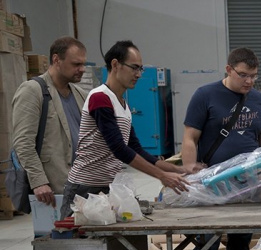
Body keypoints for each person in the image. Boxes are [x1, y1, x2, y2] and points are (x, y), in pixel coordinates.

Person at [182, 47, 261, 250]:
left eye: (254, 76)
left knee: (240, 244)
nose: (249, 81)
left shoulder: (260, 100)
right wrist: (189, 173)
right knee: (206, 244)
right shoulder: (205, 95)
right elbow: (190, 138)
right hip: (211, 186)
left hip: (247, 186)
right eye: (243, 75)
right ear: (228, 70)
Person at [60, 40, 188, 218]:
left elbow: (136, 149)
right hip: (84, 188)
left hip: (106, 188)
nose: (138, 74)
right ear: (115, 65)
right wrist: (161, 176)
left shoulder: (123, 105)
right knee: (74, 236)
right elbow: (119, 148)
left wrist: (177, 170)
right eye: (134, 68)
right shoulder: (100, 98)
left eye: (140, 69)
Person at [12, 37, 87, 209]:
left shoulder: (80, 94)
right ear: (56, 60)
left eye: (83, 64)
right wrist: (38, 181)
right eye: (76, 64)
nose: (82, 69)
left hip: (82, 188)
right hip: (53, 191)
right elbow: (23, 142)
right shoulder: (32, 91)